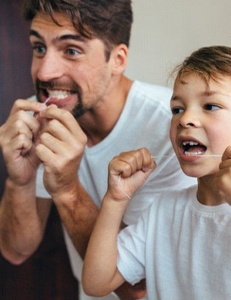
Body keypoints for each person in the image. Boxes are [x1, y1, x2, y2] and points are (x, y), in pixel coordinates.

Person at [0, 1, 195, 299]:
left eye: (71, 50)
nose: (45, 72)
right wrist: (20, 181)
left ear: (117, 59)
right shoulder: (38, 121)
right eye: (39, 48)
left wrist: (67, 190)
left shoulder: (175, 129)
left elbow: (139, 288)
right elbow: (15, 249)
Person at [82, 46, 231, 299]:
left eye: (210, 106)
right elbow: (96, 283)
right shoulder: (162, 212)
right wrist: (115, 200)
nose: (185, 119)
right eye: (177, 109)